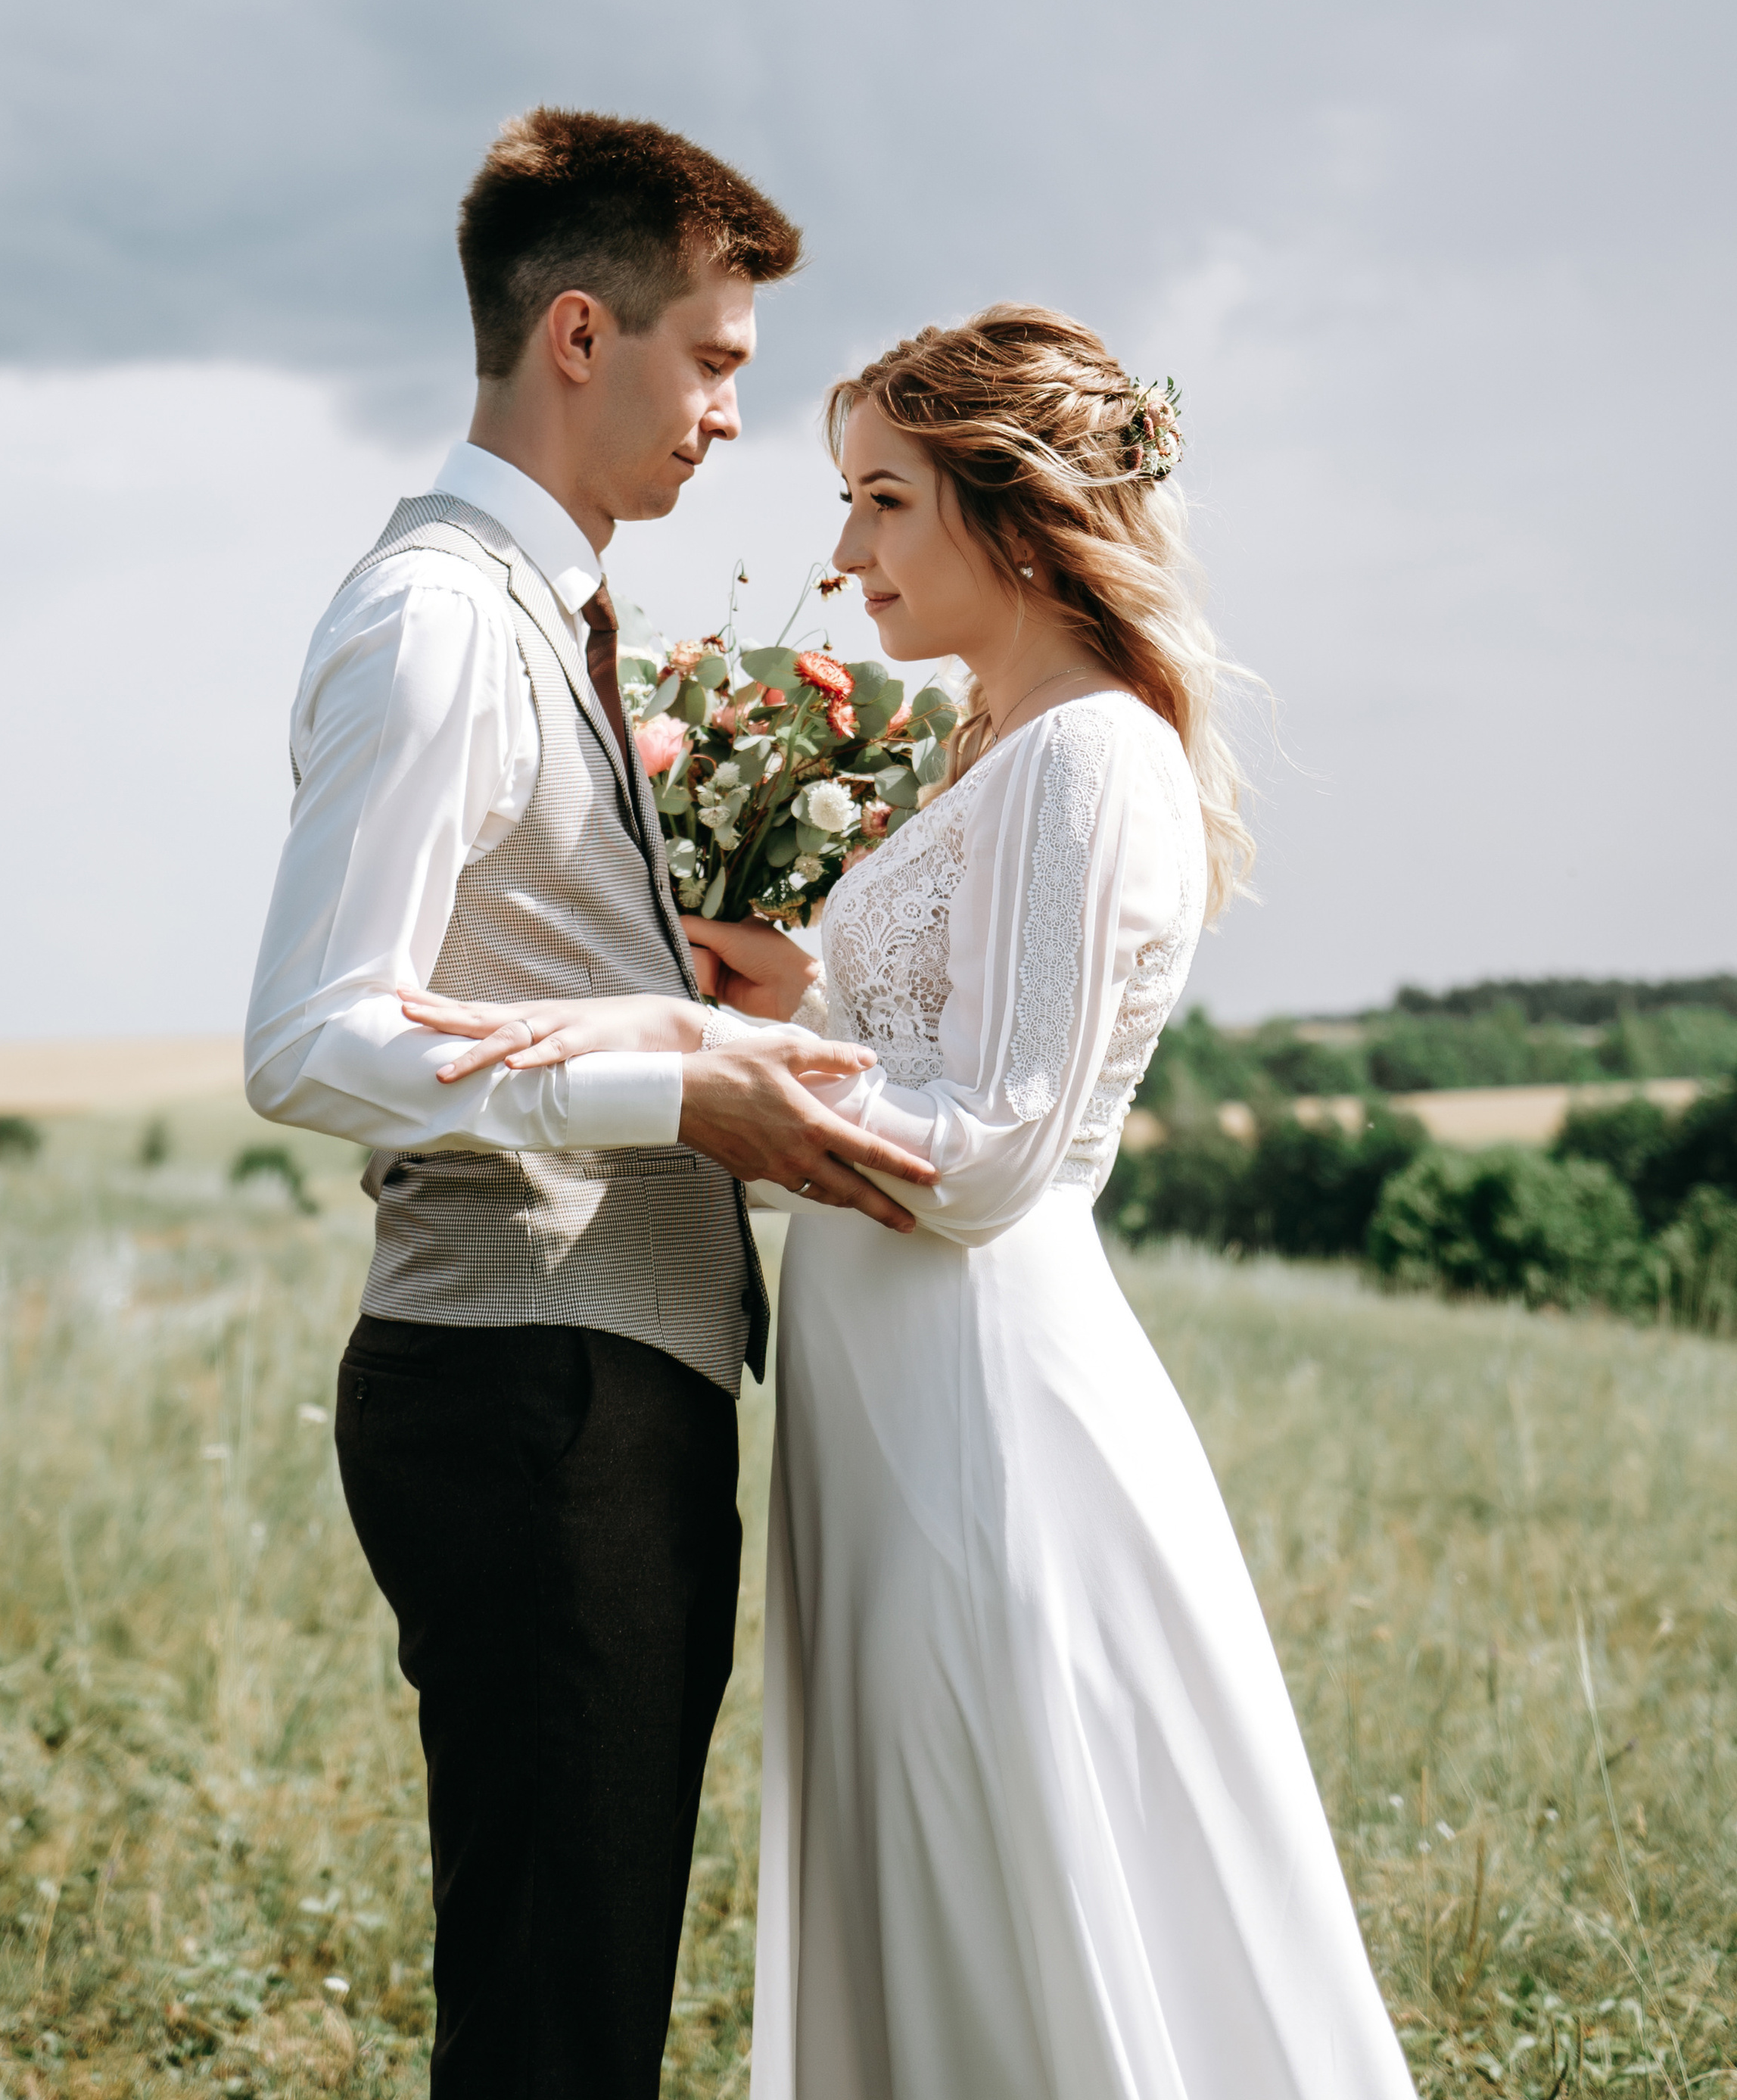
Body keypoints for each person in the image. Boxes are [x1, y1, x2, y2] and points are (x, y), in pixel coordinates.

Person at [407, 304, 1419, 2098]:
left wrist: (695, 1057)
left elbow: (997, 1145)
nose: (841, 548)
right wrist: (794, 996)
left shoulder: (1088, 752)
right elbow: (942, 1055)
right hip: (892, 1399)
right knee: (935, 1868)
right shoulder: (999, 740)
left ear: (1012, 514)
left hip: (980, 1406)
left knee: (1005, 1862)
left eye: (882, 500)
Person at [243, 108, 939, 2100]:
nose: (730, 413)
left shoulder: (536, 609)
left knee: (581, 1992)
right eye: (711, 358)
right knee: (556, 2024)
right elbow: (309, 1036)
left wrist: (701, 1031)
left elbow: (479, 988)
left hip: (588, 1386)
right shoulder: (442, 623)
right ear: (576, 332)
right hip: (528, 1396)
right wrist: (670, 1095)